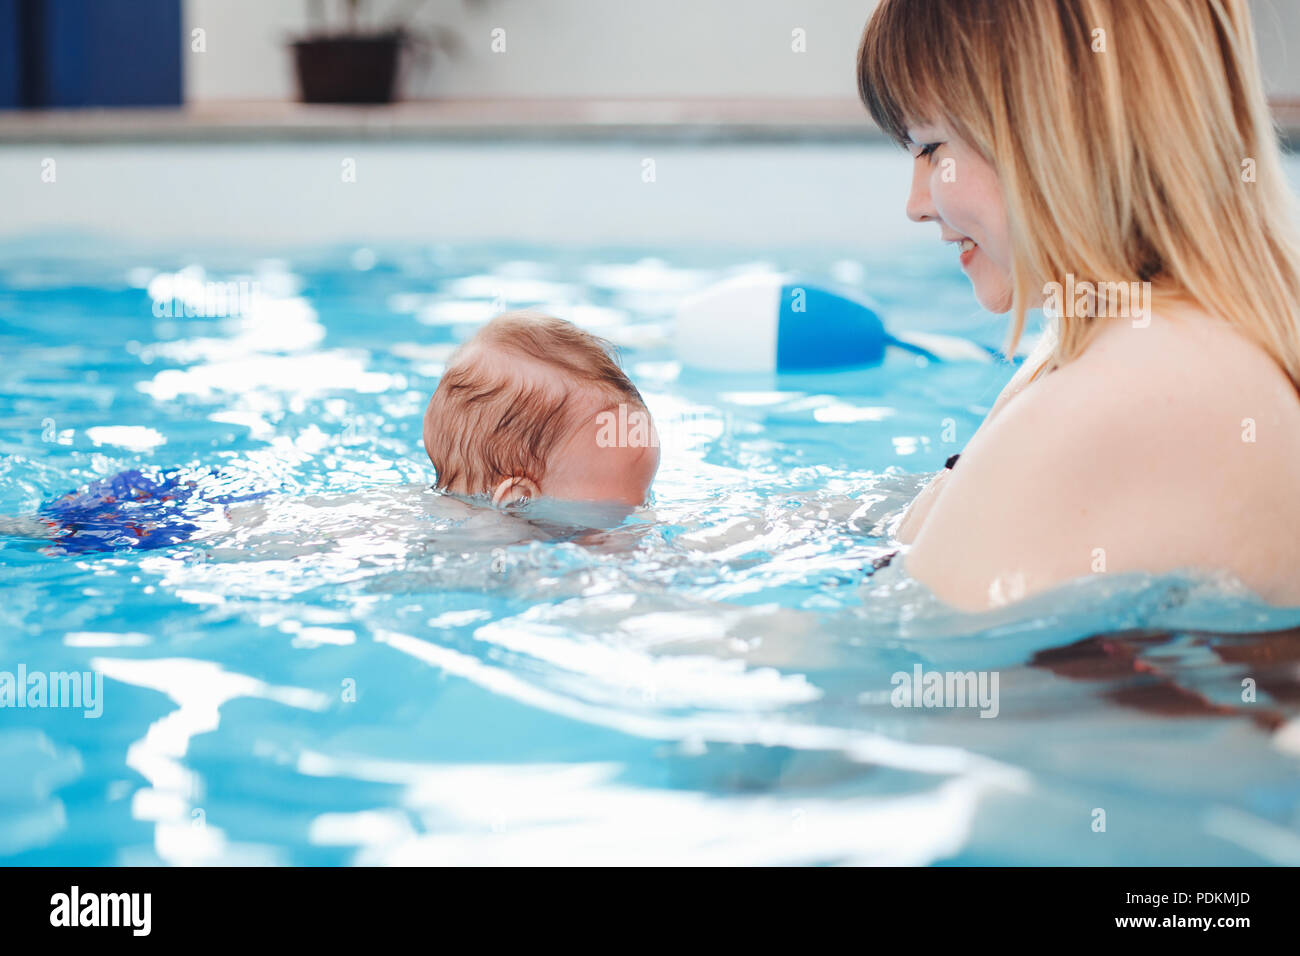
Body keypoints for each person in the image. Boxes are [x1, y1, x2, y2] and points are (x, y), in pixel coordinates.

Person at [857, 0, 1300, 611]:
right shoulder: (1137, 342)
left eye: (933, 147)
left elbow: (899, 673)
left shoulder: (1129, 394)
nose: (916, 203)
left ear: (1058, 124)